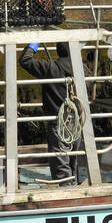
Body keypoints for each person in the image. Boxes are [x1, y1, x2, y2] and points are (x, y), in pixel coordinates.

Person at [18, 41, 82, 184]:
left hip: (58, 123)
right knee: (74, 161)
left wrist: (33, 46)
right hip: (77, 122)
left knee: (60, 163)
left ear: (58, 51)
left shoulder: (50, 68)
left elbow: (25, 60)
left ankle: (67, 195)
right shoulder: (83, 69)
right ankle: (75, 188)